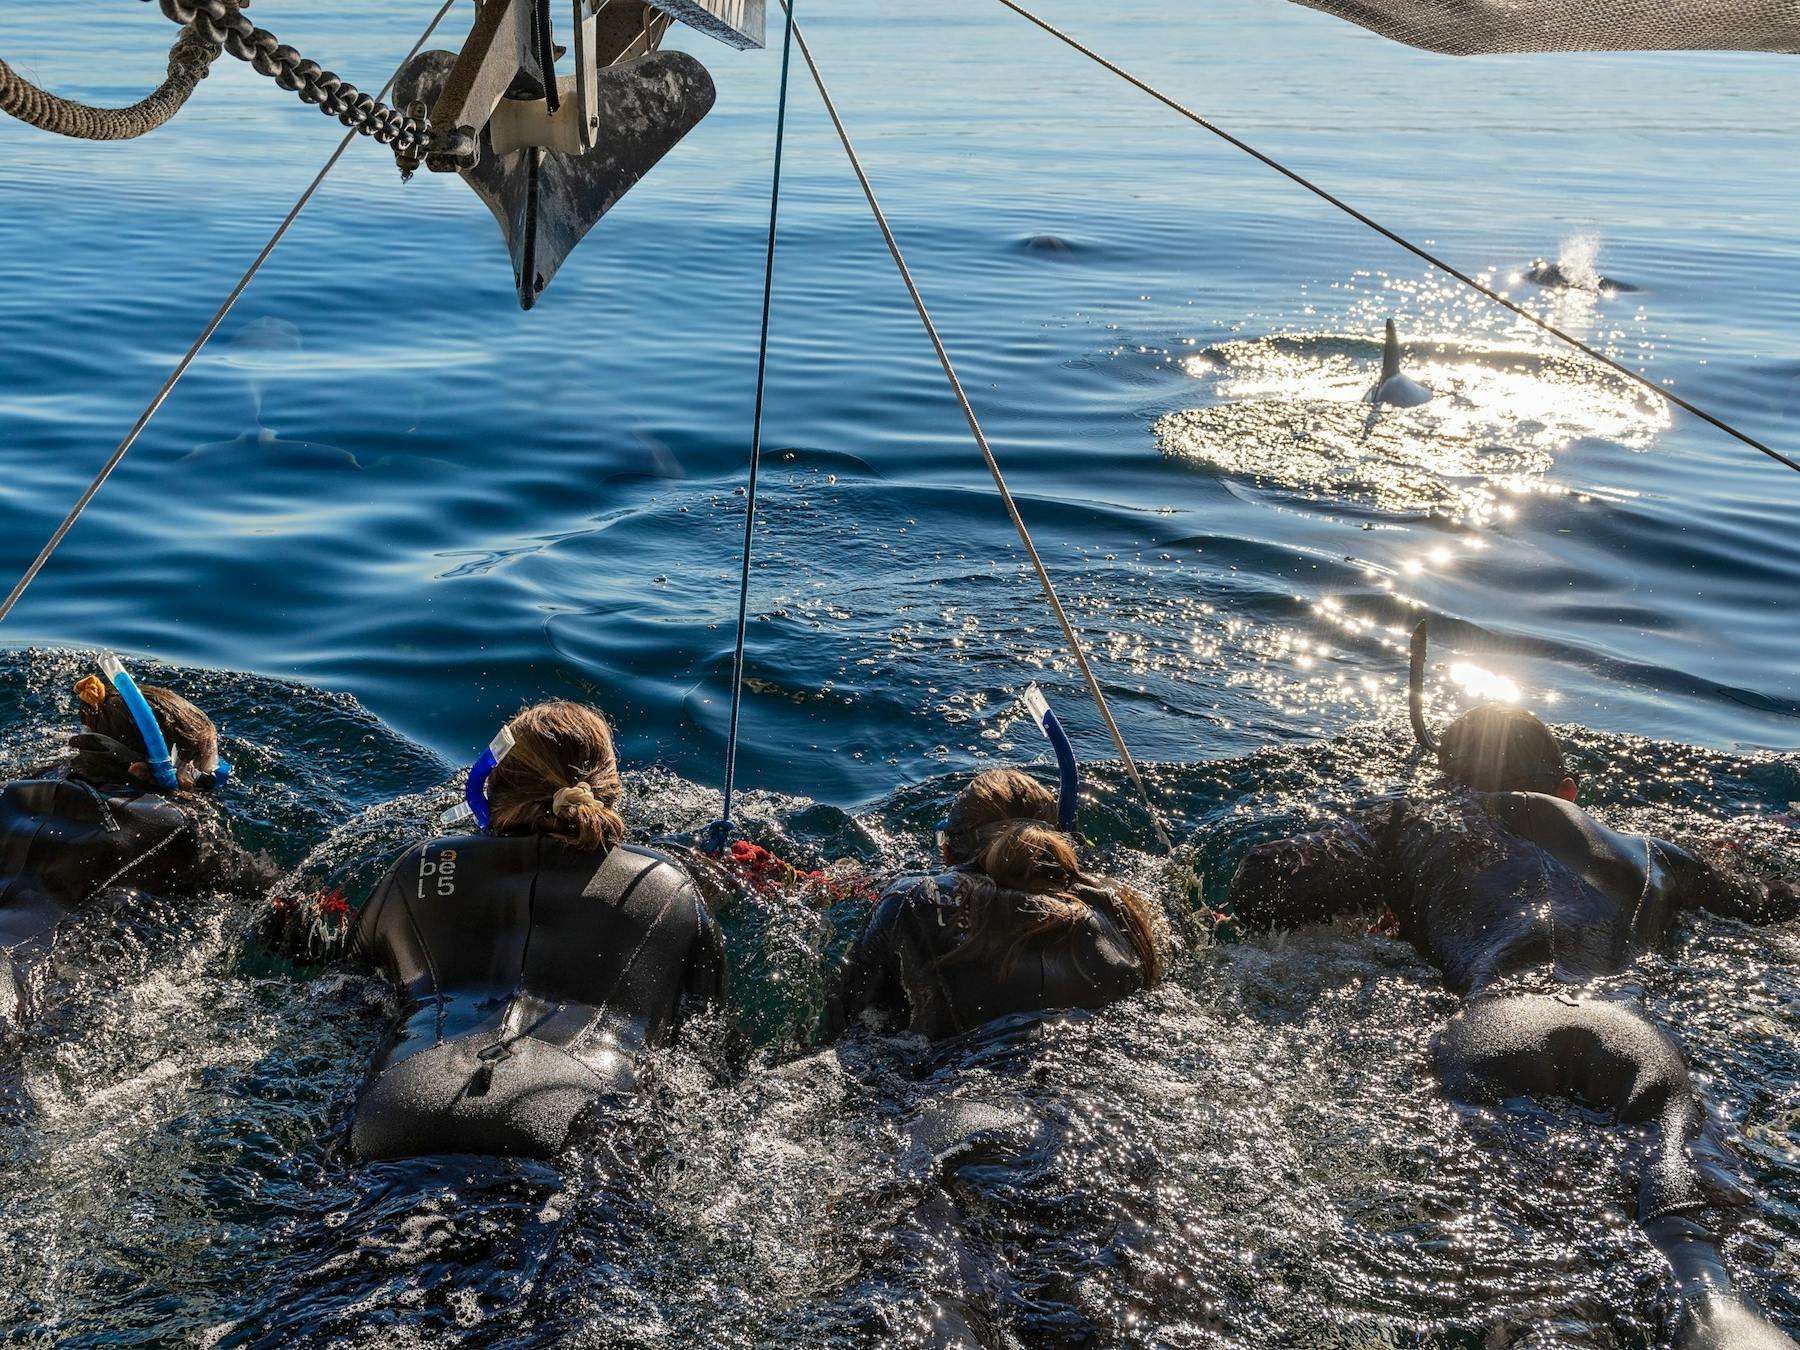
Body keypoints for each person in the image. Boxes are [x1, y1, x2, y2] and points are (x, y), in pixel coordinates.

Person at [1226, 624, 1799, 1348]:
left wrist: (1377, 838)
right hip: (1631, 1035)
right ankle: (1721, 1317)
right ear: (1569, 791)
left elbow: (1259, 887)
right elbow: (1780, 901)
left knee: (1527, 1271)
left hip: (1493, 1030)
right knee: (1693, 1251)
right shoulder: (1656, 852)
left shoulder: (1418, 820)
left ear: (1446, 783)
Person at [276, 700, 726, 1162]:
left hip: (408, 1095)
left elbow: (345, 989)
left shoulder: (419, 865)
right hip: (576, 1106)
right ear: (611, 791)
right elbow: (710, 1049)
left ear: (490, 787)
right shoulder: (669, 884)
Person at [823, 767, 1162, 1041]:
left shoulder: (912, 901)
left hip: (959, 1100)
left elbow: (843, 1028)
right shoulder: (1122, 906)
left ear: (948, 850)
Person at [2, 655, 251, 1026]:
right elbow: (268, 898)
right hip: (16, 983)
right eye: (206, 779)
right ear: (142, 773)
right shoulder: (173, 826)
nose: (213, 787)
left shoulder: (20, 784)